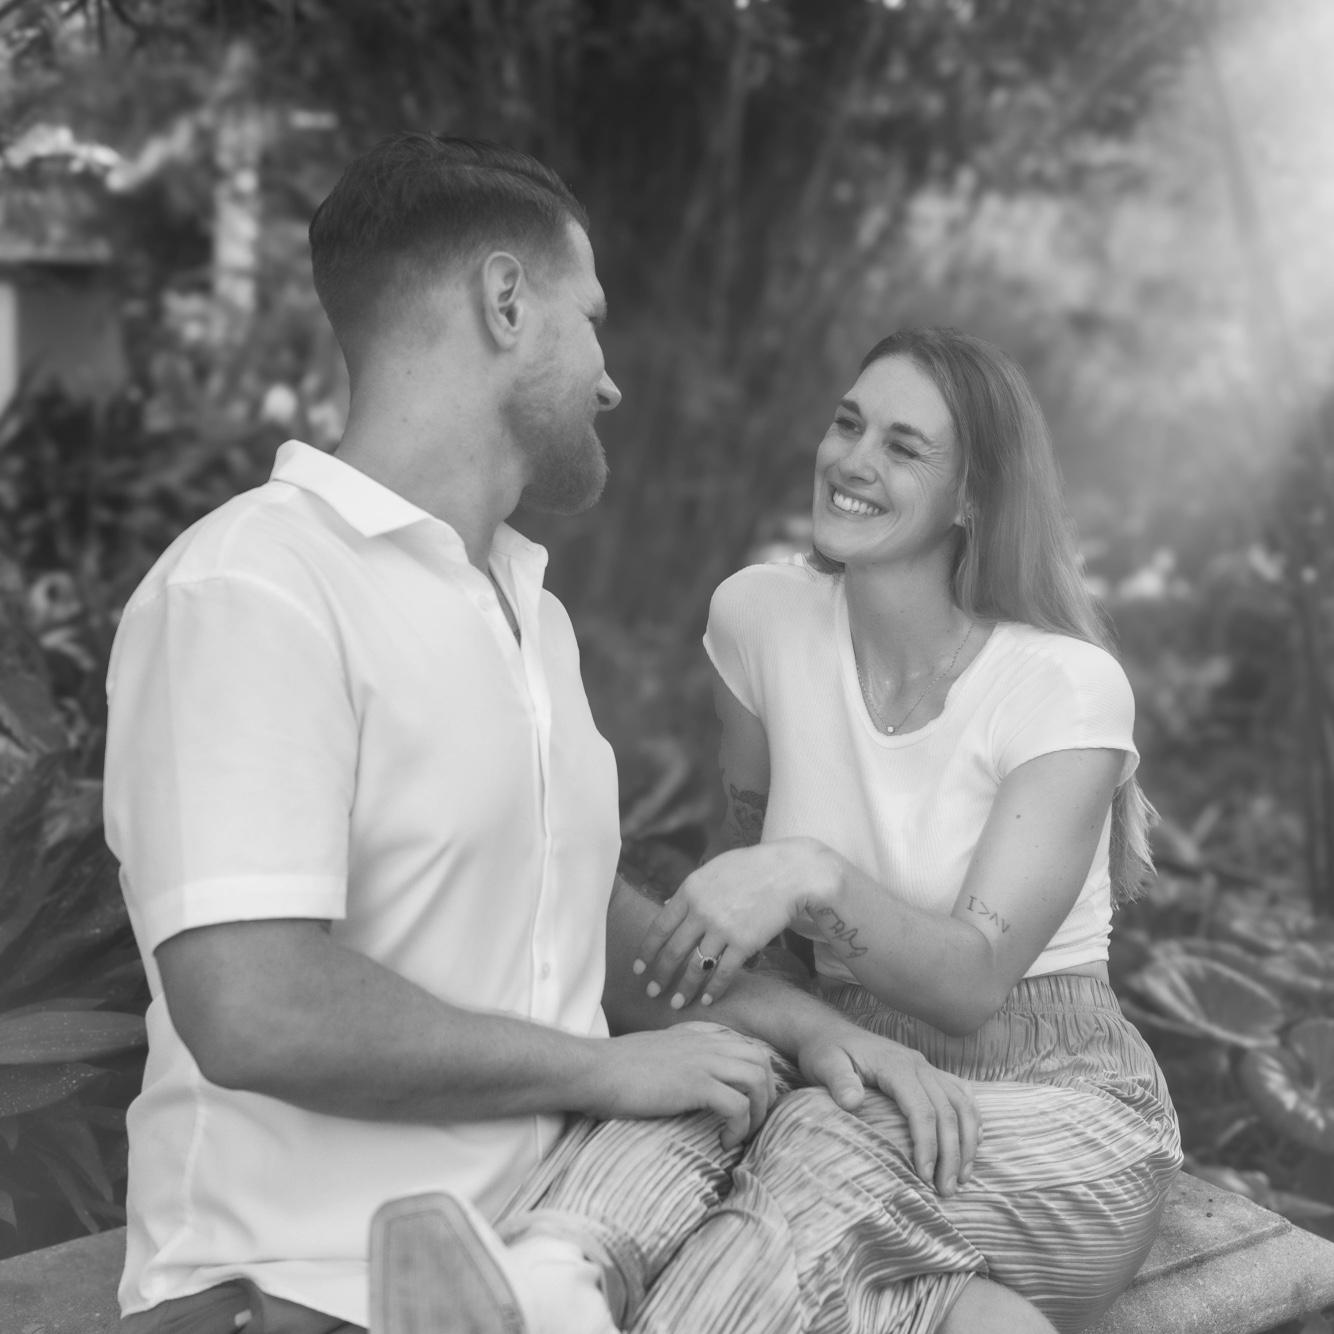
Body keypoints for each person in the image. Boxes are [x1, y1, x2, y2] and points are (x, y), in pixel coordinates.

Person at [103, 136, 980, 1334]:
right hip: (301, 1284)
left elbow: (567, 910)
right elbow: (254, 1003)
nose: (609, 382)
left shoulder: (525, 608)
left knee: (983, 1306)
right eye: (592, 321)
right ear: (506, 302)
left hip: (569, 1239)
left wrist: (809, 1026)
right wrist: (602, 1068)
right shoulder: (253, 586)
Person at [633, 327, 1184, 1333]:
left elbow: (970, 983)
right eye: (847, 425)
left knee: (815, 1146)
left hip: (1059, 1109)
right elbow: (753, 904)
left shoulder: (1060, 686)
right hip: (847, 1063)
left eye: (902, 446)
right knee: (674, 1127)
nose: (852, 460)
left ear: (972, 496)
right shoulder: (760, 617)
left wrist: (812, 872)